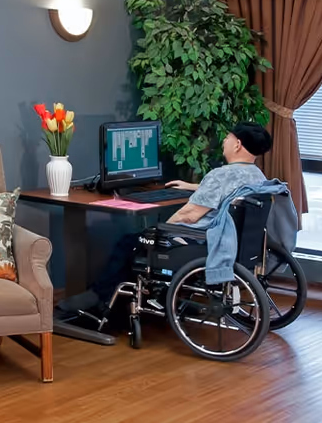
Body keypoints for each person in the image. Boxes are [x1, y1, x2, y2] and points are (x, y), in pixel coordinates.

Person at [56, 122, 273, 316]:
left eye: (228, 137)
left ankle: (98, 297)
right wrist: (193, 187)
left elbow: (190, 215)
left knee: (130, 243)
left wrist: (162, 230)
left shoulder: (220, 175)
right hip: (229, 243)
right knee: (141, 239)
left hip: (198, 242)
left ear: (238, 145)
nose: (224, 141)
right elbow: (227, 192)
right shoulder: (257, 176)